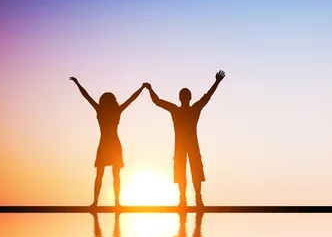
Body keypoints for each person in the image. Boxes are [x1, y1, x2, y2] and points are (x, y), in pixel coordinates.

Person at [144, 70, 226, 207]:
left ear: (183, 98)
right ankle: (186, 199)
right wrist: (150, 89)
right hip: (184, 147)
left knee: (193, 172)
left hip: (189, 146)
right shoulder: (185, 109)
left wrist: (217, 82)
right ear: (187, 97)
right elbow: (157, 101)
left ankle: (194, 199)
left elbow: (207, 96)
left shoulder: (184, 109)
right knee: (185, 172)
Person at [70, 77, 145, 207]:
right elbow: (131, 99)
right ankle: (110, 202)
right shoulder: (114, 110)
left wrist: (78, 83)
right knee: (112, 176)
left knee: (103, 175)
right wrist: (142, 88)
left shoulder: (102, 110)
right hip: (111, 145)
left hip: (108, 145)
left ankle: (102, 202)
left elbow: (87, 96)